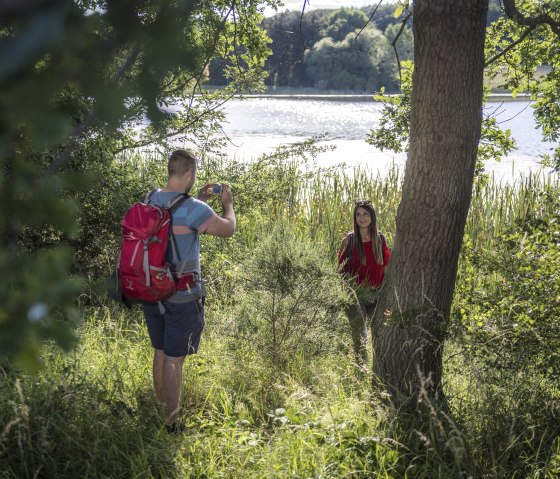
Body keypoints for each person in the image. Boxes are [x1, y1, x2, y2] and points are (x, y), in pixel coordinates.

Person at [142, 149, 236, 431]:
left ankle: (162, 410)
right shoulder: (195, 210)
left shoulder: (150, 198)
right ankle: (172, 424)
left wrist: (201, 200)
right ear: (190, 174)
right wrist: (227, 203)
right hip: (181, 296)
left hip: (151, 289)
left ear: (171, 171)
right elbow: (228, 229)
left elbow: (172, 220)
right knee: (175, 358)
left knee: (160, 350)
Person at [338, 199, 390, 366]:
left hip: (377, 294)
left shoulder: (380, 239)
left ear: (372, 216)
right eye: (358, 214)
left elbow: (386, 268)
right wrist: (347, 293)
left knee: (381, 334)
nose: (362, 218)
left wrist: (387, 294)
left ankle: (381, 372)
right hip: (355, 294)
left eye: (365, 214)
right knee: (360, 338)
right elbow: (340, 271)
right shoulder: (349, 241)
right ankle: (361, 373)